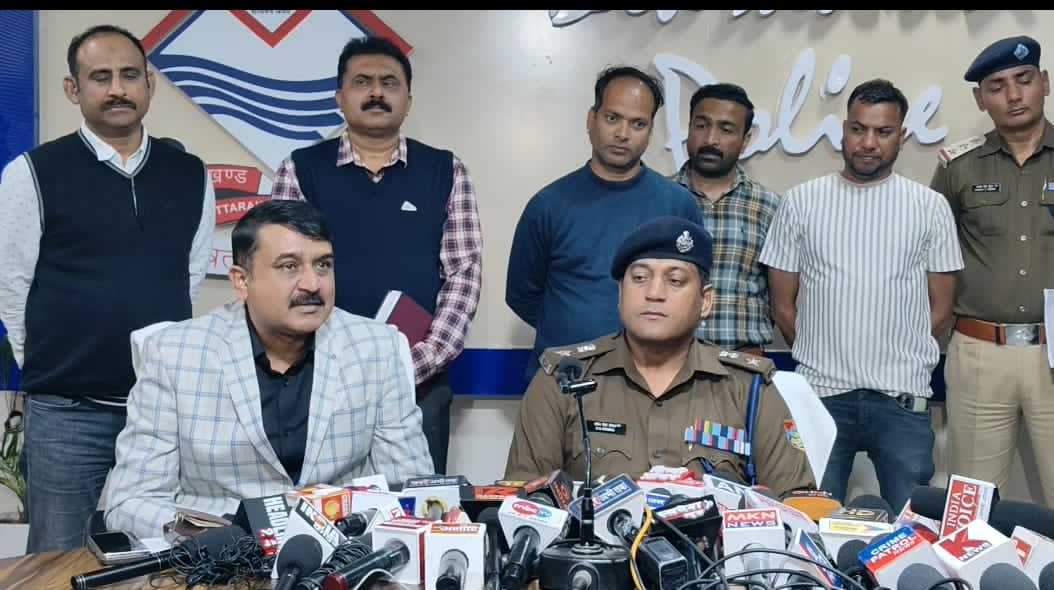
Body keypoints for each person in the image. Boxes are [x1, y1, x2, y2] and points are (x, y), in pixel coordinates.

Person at [0, 24, 216, 553]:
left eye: (129, 75)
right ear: (73, 89)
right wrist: (54, 369)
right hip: (67, 415)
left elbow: (188, 275)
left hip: (160, 411)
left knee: (160, 558)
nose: (118, 89)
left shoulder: (189, 173)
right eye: (100, 77)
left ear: (149, 84)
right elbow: (11, 283)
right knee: (57, 562)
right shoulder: (34, 172)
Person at [102, 200, 434, 539]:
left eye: (323, 265)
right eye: (289, 266)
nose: (312, 284)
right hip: (218, 554)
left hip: (341, 552)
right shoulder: (174, 354)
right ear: (241, 281)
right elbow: (131, 501)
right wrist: (217, 537)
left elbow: (411, 489)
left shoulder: (377, 348)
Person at [271, 36, 481, 476]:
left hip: (419, 385)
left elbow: (463, 274)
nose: (376, 93)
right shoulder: (301, 169)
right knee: (322, 507)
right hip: (317, 382)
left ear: (408, 100)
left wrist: (414, 362)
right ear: (339, 97)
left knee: (417, 507)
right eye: (362, 82)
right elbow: (285, 274)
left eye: (389, 83)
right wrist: (321, 365)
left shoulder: (445, 170)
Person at [760, 79, 964, 513]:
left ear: (901, 136)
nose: (868, 142)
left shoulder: (929, 207)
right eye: (858, 129)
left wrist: (901, 353)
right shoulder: (800, 203)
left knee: (912, 526)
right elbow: (782, 306)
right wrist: (822, 352)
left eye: (883, 132)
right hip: (820, 398)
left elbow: (942, 310)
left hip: (902, 400)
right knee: (811, 524)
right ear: (844, 131)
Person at [503, 215, 814, 495]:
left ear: (706, 302)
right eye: (640, 278)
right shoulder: (564, 380)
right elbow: (525, 503)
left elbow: (795, 501)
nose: (654, 293)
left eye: (675, 280)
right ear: (620, 293)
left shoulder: (749, 388)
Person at [929, 35, 1054, 520]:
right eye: (997, 87)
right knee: (972, 507)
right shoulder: (958, 167)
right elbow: (932, 258)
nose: (1014, 95)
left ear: (1045, 83)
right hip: (979, 354)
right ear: (980, 99)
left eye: (1024, 80)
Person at [505, 65, 704, 382]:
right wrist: (574, 326)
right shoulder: (548, 205)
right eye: (612, 118)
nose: (623, 134)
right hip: (563, 382)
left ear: (650, 131)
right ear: (591, 119)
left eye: (638, 123)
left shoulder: (678, 206)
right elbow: (522, 295)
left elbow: (689, 294)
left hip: (651, 383)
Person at [673, 83, 781, 357]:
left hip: (742, 362)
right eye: (701, 126)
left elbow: (781, 299)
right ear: (688, 129)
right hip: (667, 358)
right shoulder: (659, 198)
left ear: (745, 140)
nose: (711, 139)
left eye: (726, 129)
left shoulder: (770, 207)